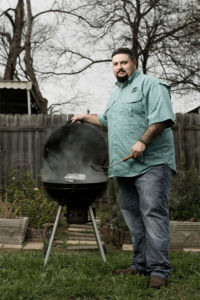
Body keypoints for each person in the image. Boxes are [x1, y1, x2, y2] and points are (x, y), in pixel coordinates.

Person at [71, 48, 176, 289]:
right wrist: (85, 117)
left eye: (124, 62)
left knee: (153, 214)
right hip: (124, 168)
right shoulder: (116, 94)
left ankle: (159, 270)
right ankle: (140, 265)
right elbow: (107, 120)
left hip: (151, 164)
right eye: (115, 63)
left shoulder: (151, 84)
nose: (119, 67)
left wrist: (143, 141)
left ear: (134, 63)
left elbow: (162, 118)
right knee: (133, 218)